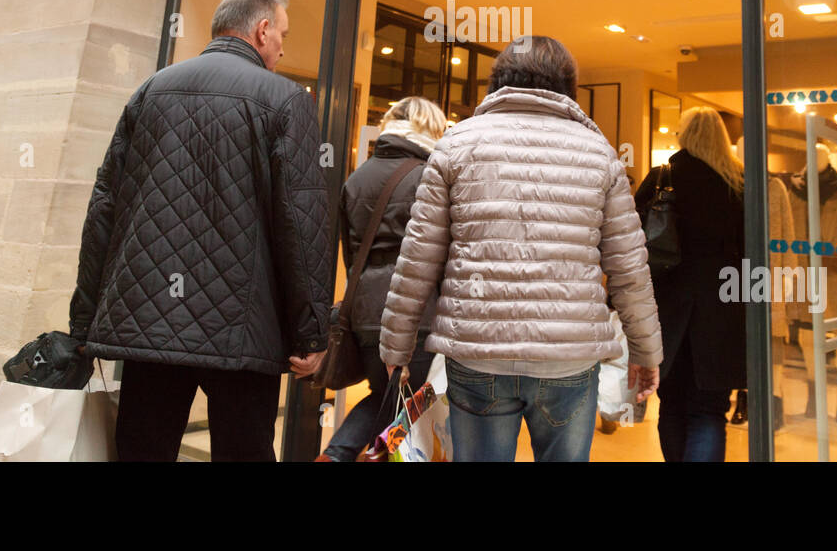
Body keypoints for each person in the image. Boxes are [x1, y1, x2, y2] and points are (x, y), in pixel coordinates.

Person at [67, 0, 332, 461]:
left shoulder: (151, 89)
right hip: (244, 328)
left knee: (142, 452)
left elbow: (104, 205)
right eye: (283, 35)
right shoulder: (286, 100)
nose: (283, 48)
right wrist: (310, 331)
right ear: (262, 29)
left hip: (149, 319)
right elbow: (301, 219)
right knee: (244, 452)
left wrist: (85, 320)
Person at [380, 35, 661, 462]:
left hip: (477, 356)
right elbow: (629, 268)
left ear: (498, 82)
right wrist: (645, 351)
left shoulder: (456, 145)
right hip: (568, 359)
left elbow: (418, 256)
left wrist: (395, 348)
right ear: (568, 87)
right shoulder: (599, 154)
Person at [318, 97, 448, 462]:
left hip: (364, 310)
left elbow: (350, 254)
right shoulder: (428, 175)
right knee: (420, 401)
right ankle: (378, 454)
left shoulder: (357, 178)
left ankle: (335, 456)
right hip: (416, 310)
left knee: (384, 395)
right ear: (429, 129)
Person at [635, 107, 745, 462]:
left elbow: (632, 244)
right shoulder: (739, 184)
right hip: (723, 313)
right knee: (709, 410)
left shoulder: (662, 178)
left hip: (668, 312)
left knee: (672, 405)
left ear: (683, 136)